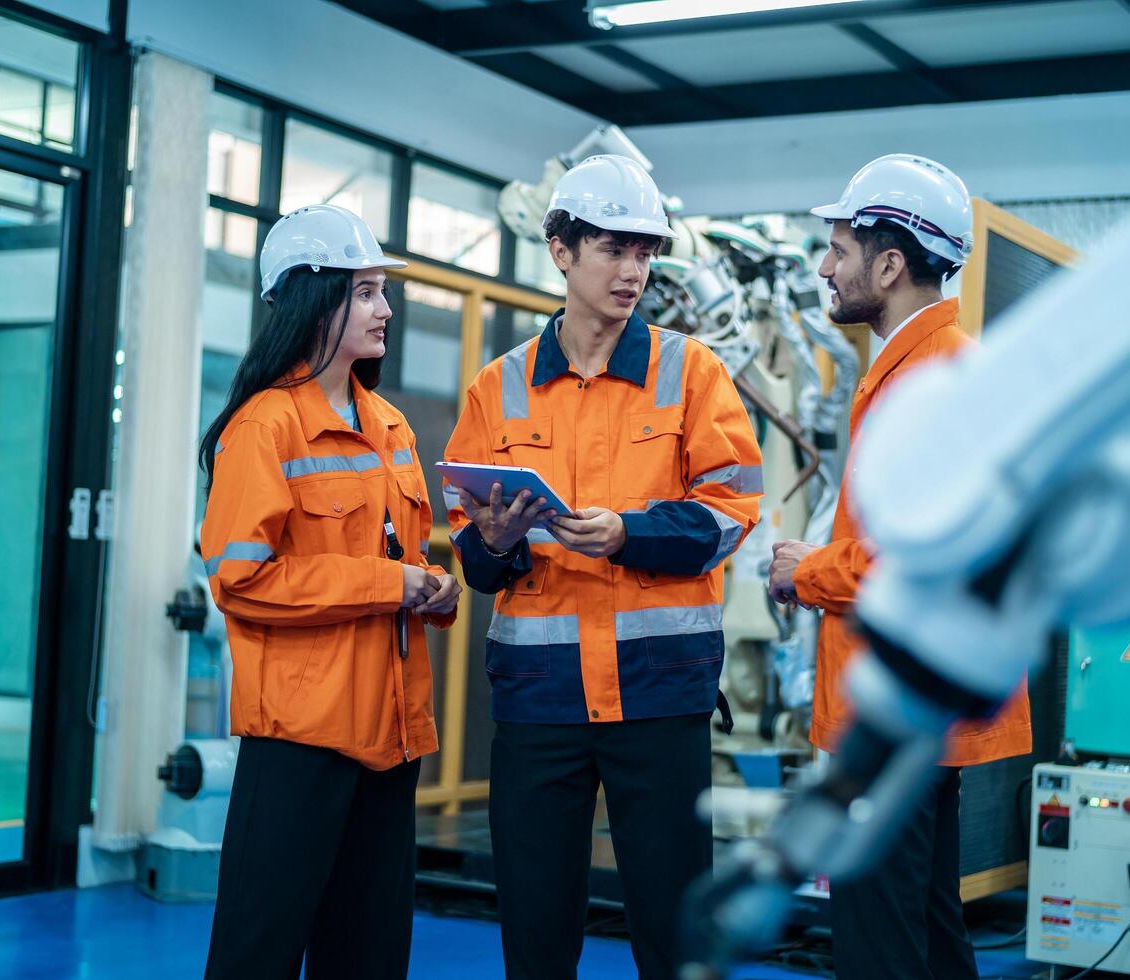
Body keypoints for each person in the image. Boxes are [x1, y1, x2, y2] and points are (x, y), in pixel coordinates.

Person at [443, 154, 763, 980]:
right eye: (613, 249)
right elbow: (475, 563)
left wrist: (626, 533)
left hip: (659, 693)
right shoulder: (495, 389)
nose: (633, 271)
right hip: (539, 699)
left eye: (645, 252)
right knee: (535, 924)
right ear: (559, 249)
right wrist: (500, 539)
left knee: (674, 927)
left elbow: (730, 518)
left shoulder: (692, 373)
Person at [767, 155, 1033, 980]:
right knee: (925, 921)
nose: (823, 267)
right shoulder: (925, 369)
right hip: (915, 707)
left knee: (880, 940)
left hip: (894, 715)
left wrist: (805, 571)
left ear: (889, 264)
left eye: (839, 248)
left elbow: (918, 565)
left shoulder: (932, 380)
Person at [199, 204, 460, 980]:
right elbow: (241, 579)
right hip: (301, 739)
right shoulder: (265, 426)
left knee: (370, 955)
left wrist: (432, 592)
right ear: (316, 299)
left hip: (391, 735)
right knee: (260, 949)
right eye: (369, 292)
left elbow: (399, 557)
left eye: (384, 291)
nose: (387, 310)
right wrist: (390, 584)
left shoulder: (389, 425)